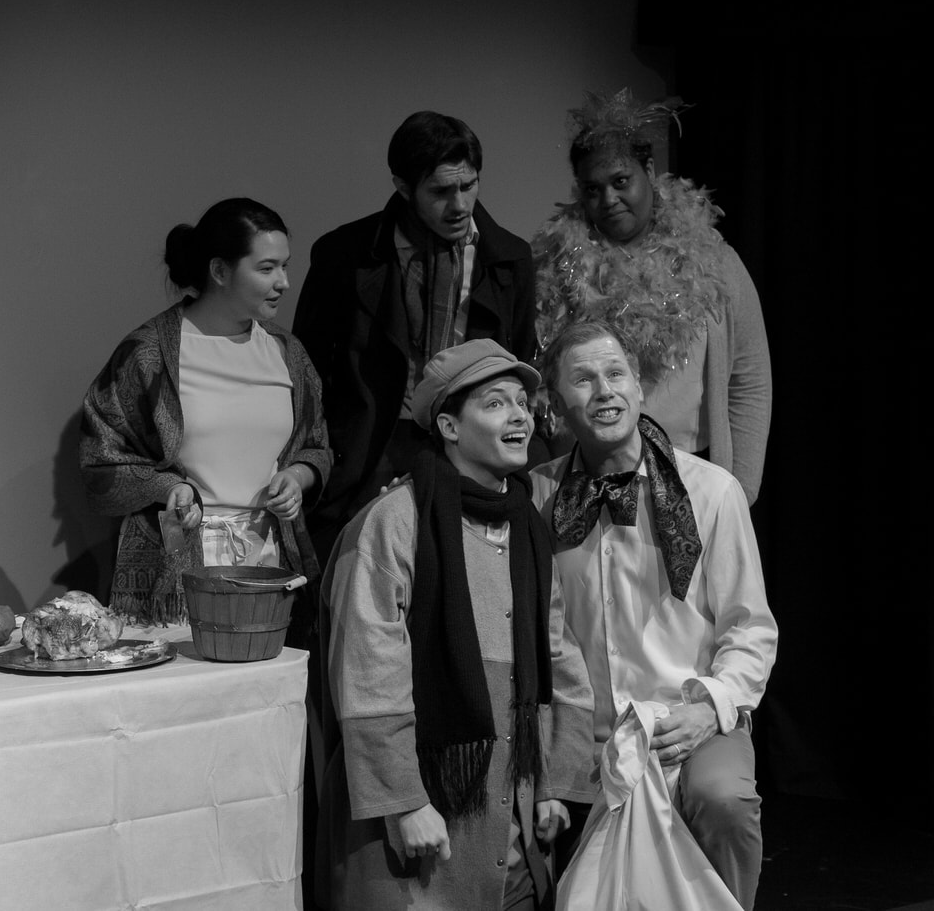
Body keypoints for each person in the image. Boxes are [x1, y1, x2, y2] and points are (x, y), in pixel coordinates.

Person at [319, 339, 592, 910]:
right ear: (448, 425)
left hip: (511, 828)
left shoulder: (529, 529)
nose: (519, 416)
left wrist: (557, 781)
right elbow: (370, 671)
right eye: (495, 403)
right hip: (422, 828)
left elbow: (559, 657)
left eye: (523, 402)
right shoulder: (394, 523)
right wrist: (404, 802)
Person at [531, 320, 777, 909]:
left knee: (724, 800)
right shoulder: (539, 499)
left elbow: (751, 627)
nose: (605, 391)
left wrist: (709, 710)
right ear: (557, 404)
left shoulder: (710, 492)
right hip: (584, 728)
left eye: (616, 374)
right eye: (584, 380)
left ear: (640, 386)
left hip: (684, 715)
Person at [295, 111, 540, 559]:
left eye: (469, 186)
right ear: (404, 188)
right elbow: (308, 367)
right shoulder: (344, 255)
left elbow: (519, 361)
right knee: (357, 575)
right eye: (441, 191)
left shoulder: (508, 259)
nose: (460, 205)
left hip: (468, 442)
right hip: (370, 448)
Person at [80, 197, 331, 625]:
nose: (284, 282)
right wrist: (168, 488)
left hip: (268, 555)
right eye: (267, 268)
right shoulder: (149, 354)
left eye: (285, 266)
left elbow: (316, 444)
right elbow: (102, 461)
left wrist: (297, 477)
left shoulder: (287, 352)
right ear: (219, 271)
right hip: (177, 556)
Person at [531, 90, 772, 505]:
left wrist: (741, 490)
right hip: (588, 479)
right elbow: (539, 383)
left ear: (649, 169)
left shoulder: (716, 262)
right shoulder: (556, 271)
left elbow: (749, 380)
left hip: (693, 475)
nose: (608, 200)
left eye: (620, 181)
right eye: (592, 189)